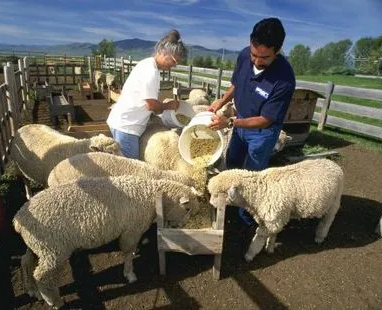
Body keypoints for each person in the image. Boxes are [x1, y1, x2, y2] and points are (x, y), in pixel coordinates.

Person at [208, 18, 296, 226]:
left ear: (278, 50)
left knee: (252, 176)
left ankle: (247, 216)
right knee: (232, 163)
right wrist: (221, 101)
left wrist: (229, 122)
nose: (257, 61)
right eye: (254, 54)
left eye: (264, 58)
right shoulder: (243, 56)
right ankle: (229, 203)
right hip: (239, 122)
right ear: (250, 43)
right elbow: (236, 84)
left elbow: (266, 120)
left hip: (262, 132)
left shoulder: (284, 79)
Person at [107, 29, 187, 159]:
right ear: (163, 52)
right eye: (174, 61)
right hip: (127, 127)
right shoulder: (151, 72)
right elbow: (151, 105)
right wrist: (168, 106)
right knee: (131, 170)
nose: (174, 66)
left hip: (123, 122)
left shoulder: (147, 64)